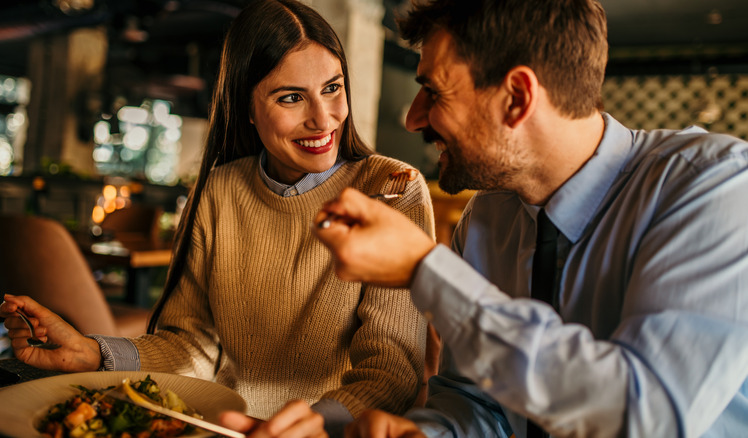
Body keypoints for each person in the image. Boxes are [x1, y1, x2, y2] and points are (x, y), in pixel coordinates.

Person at [0, 0, 435, 436]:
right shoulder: (219, 189)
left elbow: (391, 370)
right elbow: (193, 344)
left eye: (332, 88)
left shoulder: (393, 186)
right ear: (246, 107)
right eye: (290, 97)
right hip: (215, 429)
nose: (323, 119)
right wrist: (92, 352)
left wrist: (314, 424)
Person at [313, 0, 748, 436]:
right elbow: (478, 401)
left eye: (435, 92)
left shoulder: (715, 187)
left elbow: (644, 415)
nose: (412, 118)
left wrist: (426, 272)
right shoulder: (486, 216)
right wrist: (428, 434)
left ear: (517, 97)